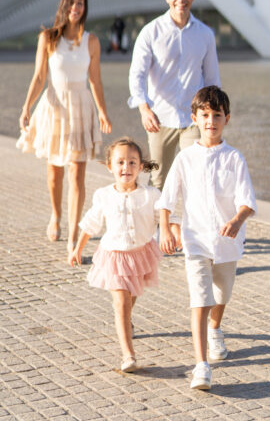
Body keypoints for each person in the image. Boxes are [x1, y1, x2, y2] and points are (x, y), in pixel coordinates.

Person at [157, 86, 256, 391]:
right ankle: (202, 366)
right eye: (205, 115)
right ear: (194, 119)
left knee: (221, 295)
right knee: (200, 299)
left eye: (217, 115)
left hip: (227, 243)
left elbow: (247, 201)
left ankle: (216, 328)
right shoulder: (186, 158)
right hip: (195, 241)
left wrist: (237, 220)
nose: (210, 120)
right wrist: (166, 228)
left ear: (227, 119)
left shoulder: (234, 158)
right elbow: (167, 199)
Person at [17, 0, 112, 255]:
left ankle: (72, 237)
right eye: (72, 3)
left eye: (81, 3)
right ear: (64, 6)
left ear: (85, 8)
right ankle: (56, 215)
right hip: (54, 107)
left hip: (81, 108)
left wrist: (103, 111)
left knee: (77, 173)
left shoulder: (91, 41)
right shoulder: (48, 38)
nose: (76, 7)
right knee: (54, 172)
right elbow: (39, 76)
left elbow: (95, 79)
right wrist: (26, 107)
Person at [69, 138, 163, 373]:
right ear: (110, 166)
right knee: (120, 302)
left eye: (132, 162)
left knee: (131, 297)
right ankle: (128, 355)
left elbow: (166, 218)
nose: (126, 168)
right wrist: (78, 249)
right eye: (120, 162)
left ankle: (127, 320)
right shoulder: (104, 195)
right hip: (114, 256)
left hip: (141, 253)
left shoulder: (151, 194)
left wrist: (175, 234)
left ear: (141, 167)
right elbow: (92, 223)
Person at [128, 0, 220, 190]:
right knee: (156, 178)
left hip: (194, 119)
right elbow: (137, 74)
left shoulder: (205, 34)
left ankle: (192, 224)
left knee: (197, 177)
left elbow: (212, 79)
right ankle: (157, 224)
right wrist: (144, 109)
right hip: (159, 118)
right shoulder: (150, 32)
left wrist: (214, 116)